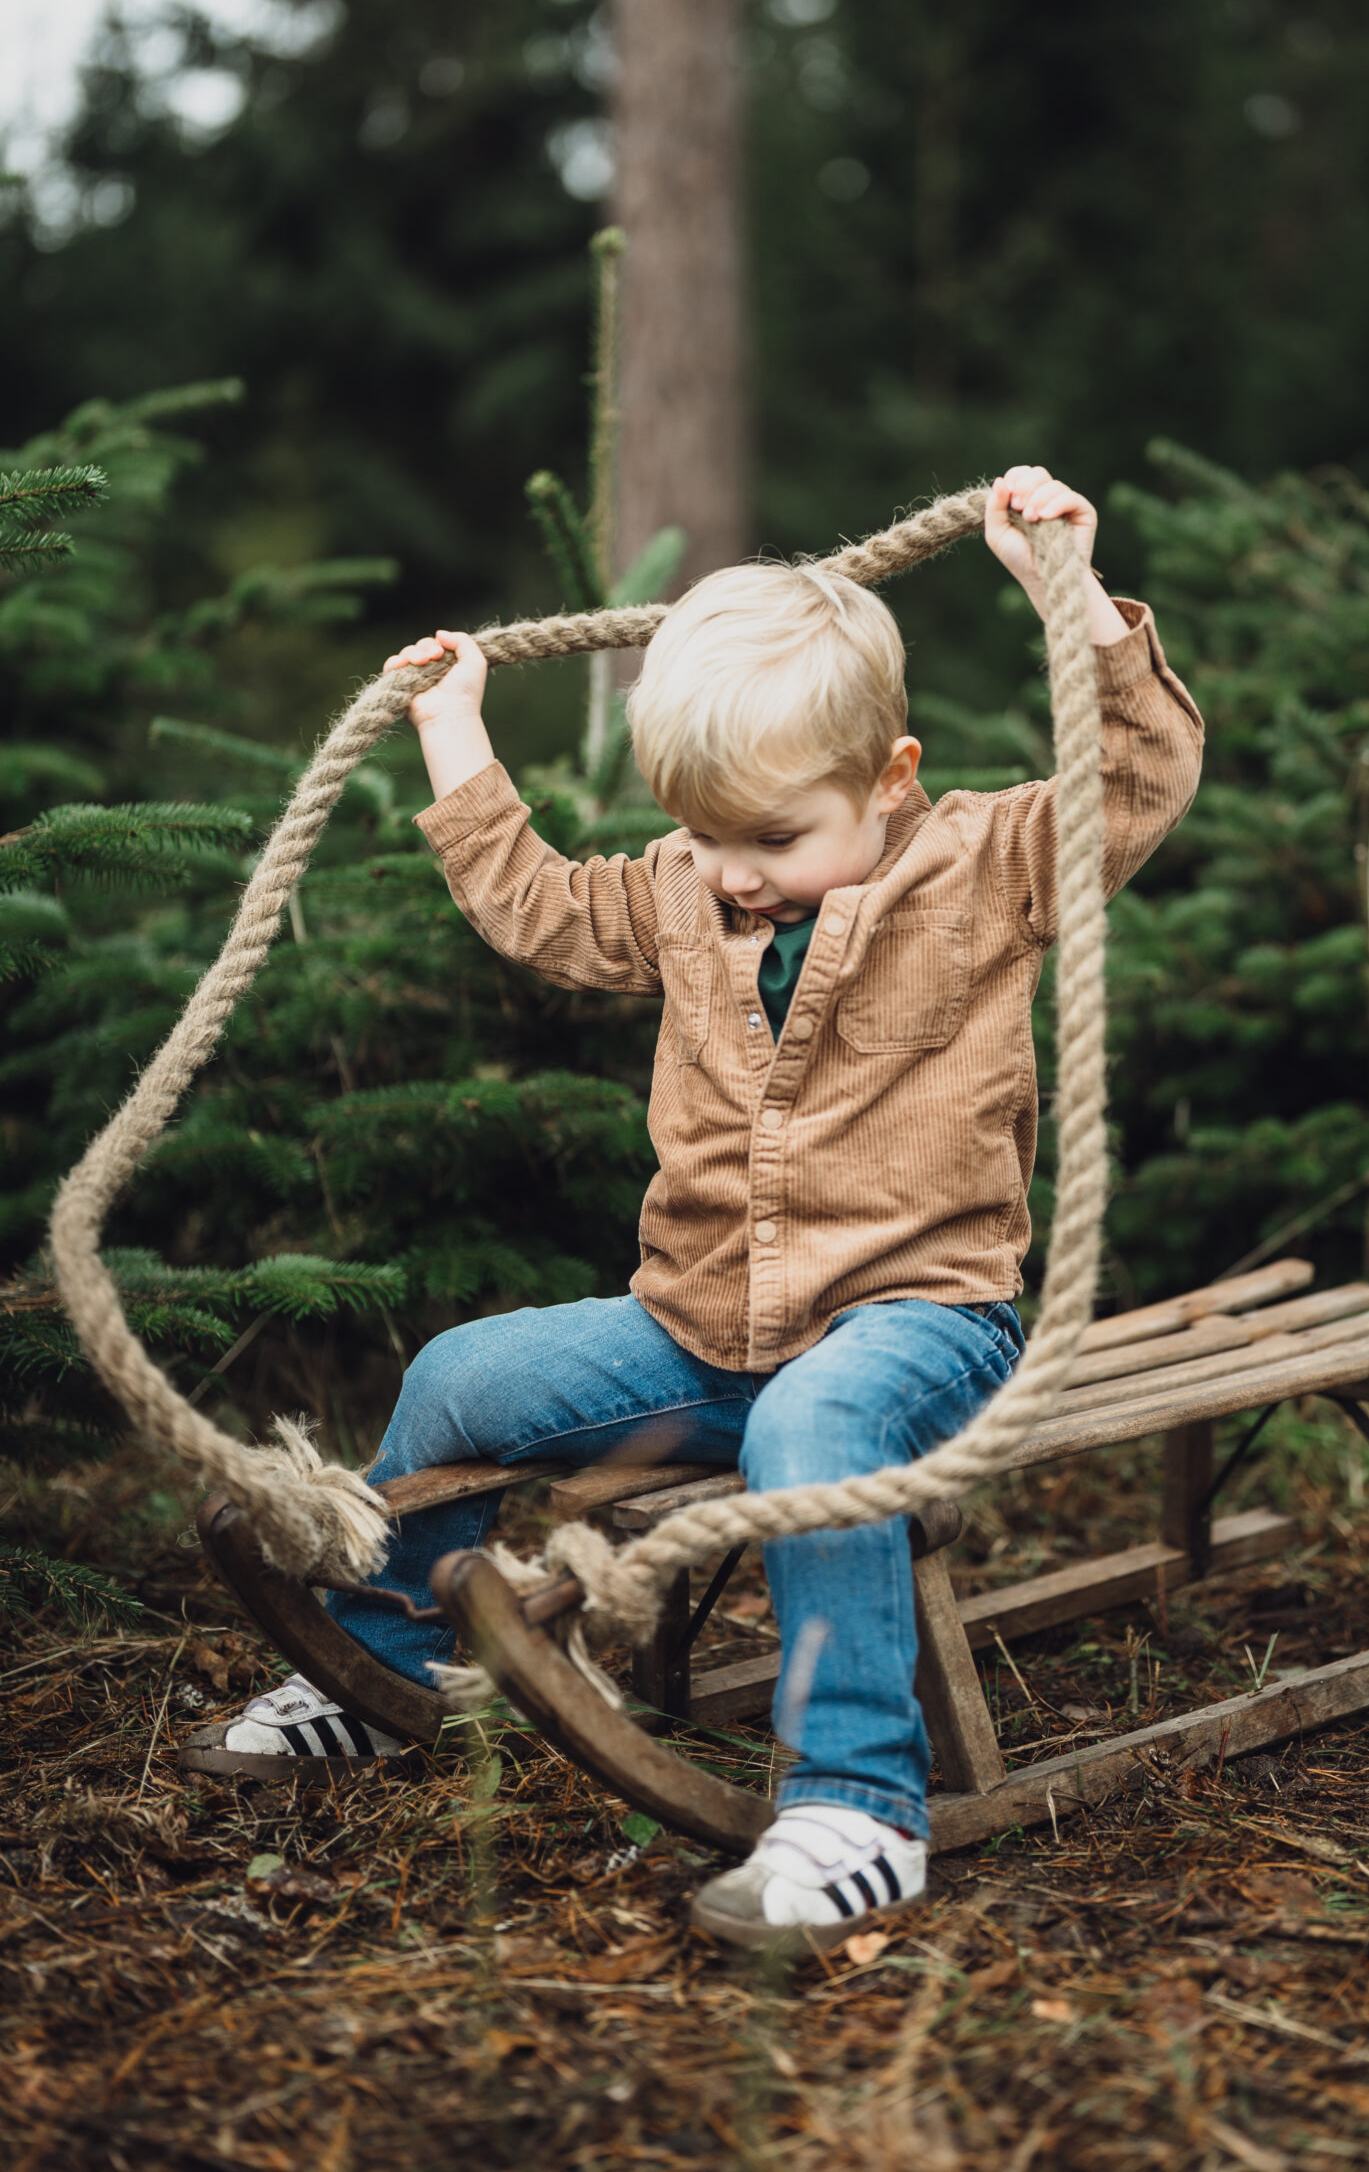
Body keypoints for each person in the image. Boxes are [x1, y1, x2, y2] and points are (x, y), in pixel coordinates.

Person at [184, 469, 1203, 1953]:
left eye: (774, 841)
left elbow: (1139, 780)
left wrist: (1071, 594)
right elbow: (536, 904)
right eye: (701, 836)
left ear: (890, 777)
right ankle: (378, 1663)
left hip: (913, 1330)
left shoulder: (991, 863)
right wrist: (455, 728)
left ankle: (857, 1805)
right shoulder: (683, 888)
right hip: (697, 1333)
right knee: (461, 1377)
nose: (733, 877)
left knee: (812, 1431)